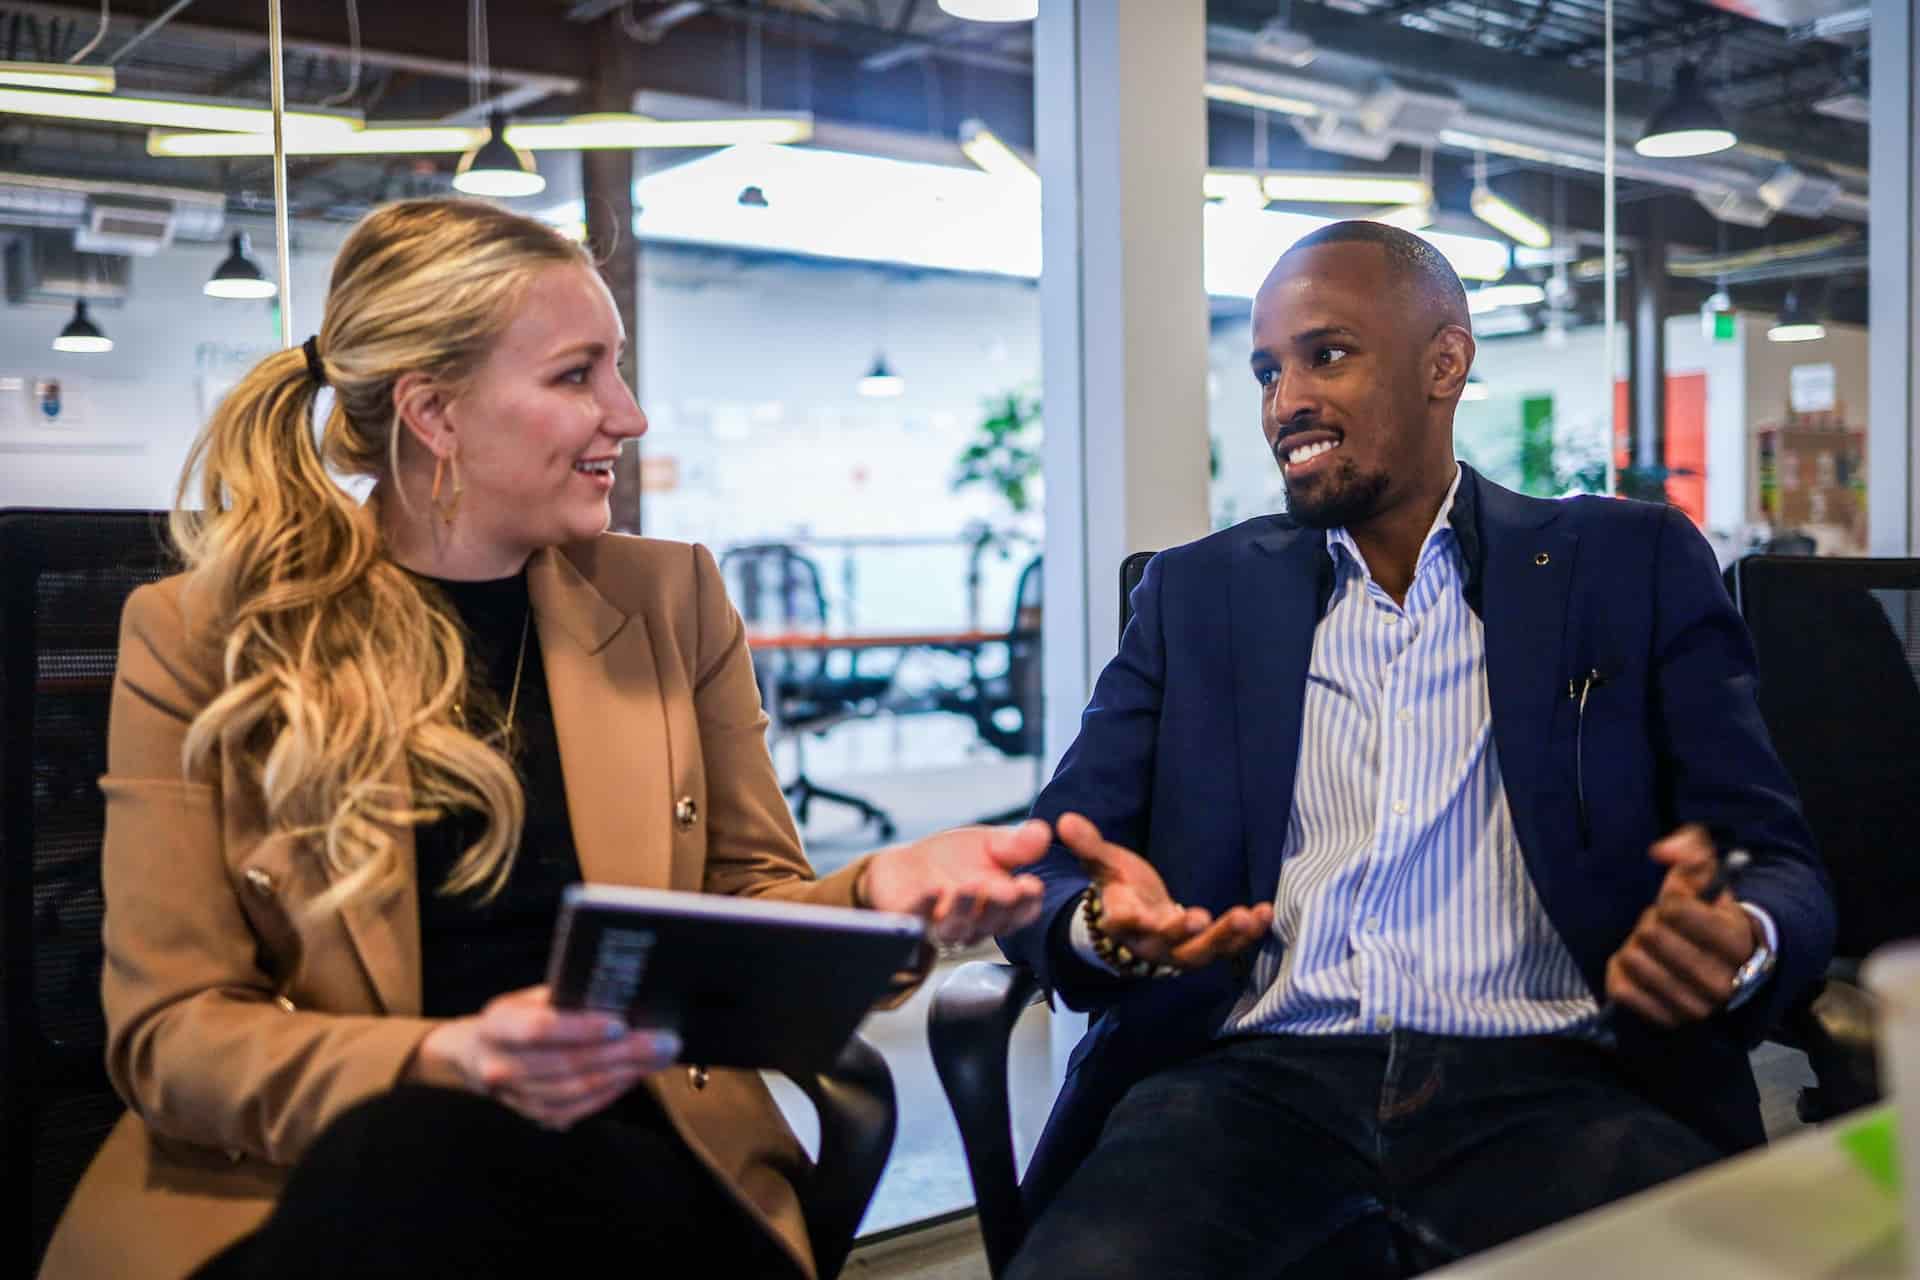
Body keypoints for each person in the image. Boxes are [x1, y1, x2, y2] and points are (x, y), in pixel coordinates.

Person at [39, 197, 1049, 1280]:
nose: (629, 413)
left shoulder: (671, 600)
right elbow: (172, 1035)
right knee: (423, 1149)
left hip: (634, 1154)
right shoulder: (208, 637)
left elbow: (743, 913)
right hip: (330, 1172)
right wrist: (446, 1057)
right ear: (436, 413)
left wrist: (879, 894)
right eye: (579, 375)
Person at [997, 220, 1835, 1279]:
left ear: (1446, 361)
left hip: (1562, 1080)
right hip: (1246, 1084)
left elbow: (1781, 860)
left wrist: (1743, 936)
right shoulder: (1197, 595)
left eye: (1325, 354)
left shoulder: (1626, 564)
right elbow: (1047, 857)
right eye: (1268, 368)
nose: (1283, 399)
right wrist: (1100, 927)